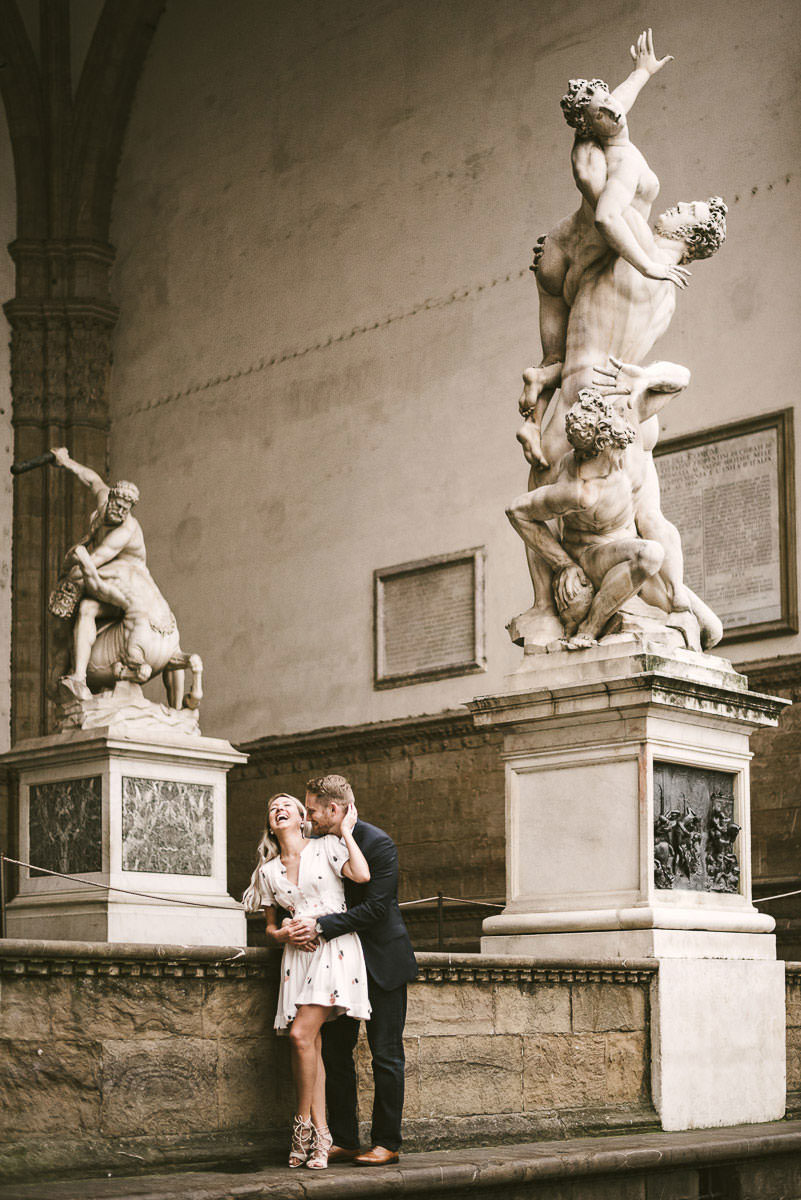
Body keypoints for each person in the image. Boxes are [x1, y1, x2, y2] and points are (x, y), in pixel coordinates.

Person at [510, 196, 727, 646]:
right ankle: (682, 605)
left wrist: (555, 251)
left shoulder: (635, 252)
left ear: (691, 237)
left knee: (544, 497)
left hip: (585, 395)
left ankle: (547, 609)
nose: (678, 205)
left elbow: (605, 204)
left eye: (688, 210)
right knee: (647, 515)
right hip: (630, 405)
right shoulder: (664, 289)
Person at [520, 29, 683, 469]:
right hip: (564, 253)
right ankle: (536, 422)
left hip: (564, 248)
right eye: (603, 111)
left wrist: (641, 74)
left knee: (554, 359)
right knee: (564, 355)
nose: (613, 109)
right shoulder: (606, 161)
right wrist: (649, 265)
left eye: (609, 100)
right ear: (590, 127)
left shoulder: (607, 124)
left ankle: (533, 413)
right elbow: (608, 218)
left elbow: (615, 104)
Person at [507, 386, 719, 648]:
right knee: (651, 553)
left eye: (623, 447)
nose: (621, 459)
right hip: (594, 557)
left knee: (710, 631)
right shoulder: (578, 490)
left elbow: (678, 380)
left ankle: (657, 598)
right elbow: (517, 512)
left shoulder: (629, 451)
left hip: (630, 554)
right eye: (614, 452)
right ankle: (590, 628)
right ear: (594, 450)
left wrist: (639, 378)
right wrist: (564, 564)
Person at [283, 774, 417, 1167]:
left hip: (382, 965)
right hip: (337, 968)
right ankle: (342, 1138)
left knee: (386, 1056)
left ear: (334, 810)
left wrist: (321, 926)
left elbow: (377, 908)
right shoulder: (318, 845)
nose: (307, 817)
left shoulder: (379, 844)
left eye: (312, 810)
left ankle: (387, 1143)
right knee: (338, 1054)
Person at [242, 791, 371, 1170]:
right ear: (270, 823)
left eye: (287, 806)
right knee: (308, 1044)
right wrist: (281, 933)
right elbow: (267, 926)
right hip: (297, 956)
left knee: (300, 1036)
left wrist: (347, 831)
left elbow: (361, 875)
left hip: (333, 948)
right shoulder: (268, 871)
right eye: (272, 808)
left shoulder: (327, 846)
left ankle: (301, 1128)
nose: (278, 810)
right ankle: (323, 1135)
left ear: (303, 819)